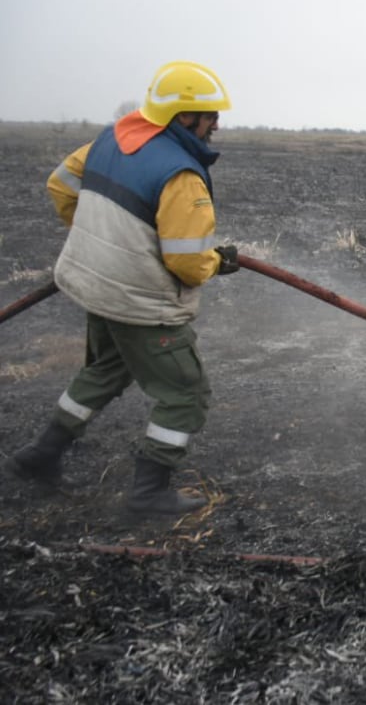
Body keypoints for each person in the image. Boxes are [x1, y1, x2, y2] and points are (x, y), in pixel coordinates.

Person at [2, 60, 240, 516]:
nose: (216, 124)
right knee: (185, 393)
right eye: (209, 114)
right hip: (140, 302)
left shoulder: (109, 140)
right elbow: (188, 263)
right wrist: (218, 262)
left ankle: (40, 456)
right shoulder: (181, 174)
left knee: (105, 370)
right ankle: (149, 492)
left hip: (93, 284)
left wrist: (101, 242)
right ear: (183, 117)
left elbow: (61, 185)